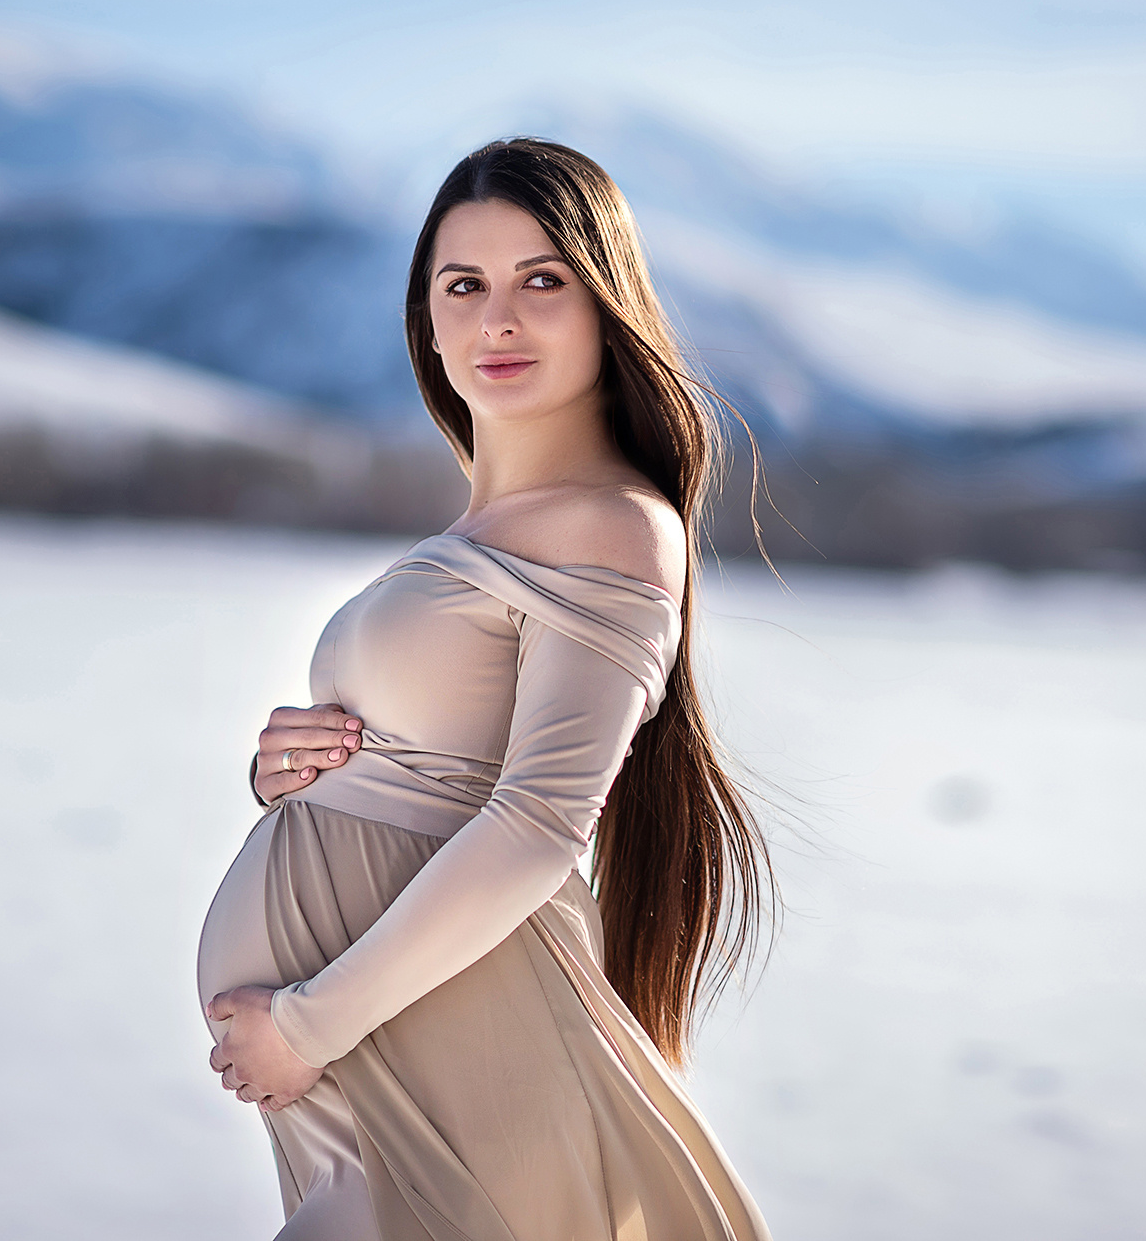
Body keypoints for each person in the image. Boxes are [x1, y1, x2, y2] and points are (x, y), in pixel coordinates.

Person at [196, 138, 774, 1240]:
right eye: (462, 285)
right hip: (382, 1074)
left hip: (447, 1056)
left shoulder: (607, 523)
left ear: (609, 307)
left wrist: (310, 1025)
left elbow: (537, 823)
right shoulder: (484, 530)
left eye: (541, 281)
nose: (496, 318)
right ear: (425, 319)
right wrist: (301, 772)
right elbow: (449, 768)